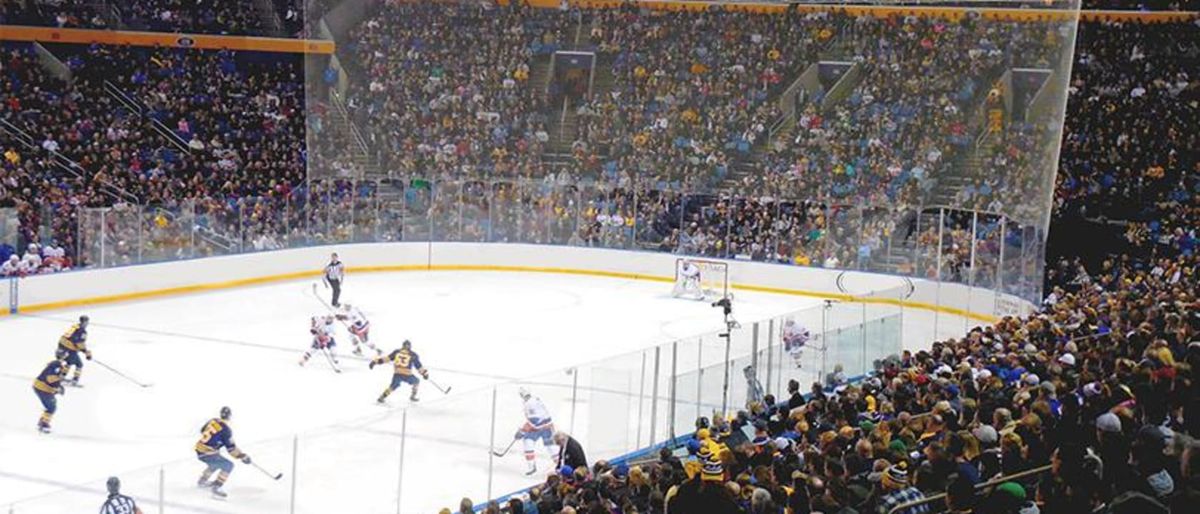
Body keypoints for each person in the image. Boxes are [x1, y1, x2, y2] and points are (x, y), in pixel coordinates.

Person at [195, 406, 251, 498]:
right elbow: (231, 449)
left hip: (199, 449)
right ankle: (217, 486)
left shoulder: (213, 420)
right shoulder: (226, 430)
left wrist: (216, 440)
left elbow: (202, 430)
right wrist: (242, 456)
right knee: (228, 465)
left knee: (215, 463)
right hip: (208, 453)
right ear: (229, 416)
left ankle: (202, 481)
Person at [516, 387, 558, 475]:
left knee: (529, 442)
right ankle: (559, 465)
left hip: (541, 427)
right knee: (549, 446)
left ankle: (533, 467)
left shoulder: (530, 403)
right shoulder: (534, 399)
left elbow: (535, 420)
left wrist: (522, 431)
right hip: (546, 425)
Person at [32, 349, 68, 433]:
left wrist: (58, 386)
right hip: (42, 388)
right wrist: (58, 386)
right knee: (51, 407)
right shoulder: (57, 365)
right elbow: (50, 378)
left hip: (42, 387)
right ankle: (43, 423)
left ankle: (42, 421)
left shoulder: (57, 364)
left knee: (51, 406)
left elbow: (53, 379)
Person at [58, 315, 92, 386]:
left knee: (69, 362)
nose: (87, 323)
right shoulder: (82, 331)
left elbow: (71, 338)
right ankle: (75, 380)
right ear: (84, 322)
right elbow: (79, 343)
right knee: (79, 364)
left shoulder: (75, 326)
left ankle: (61, 376)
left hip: (62, 345)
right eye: (87, 322)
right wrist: (86, 353)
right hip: (69, 349)